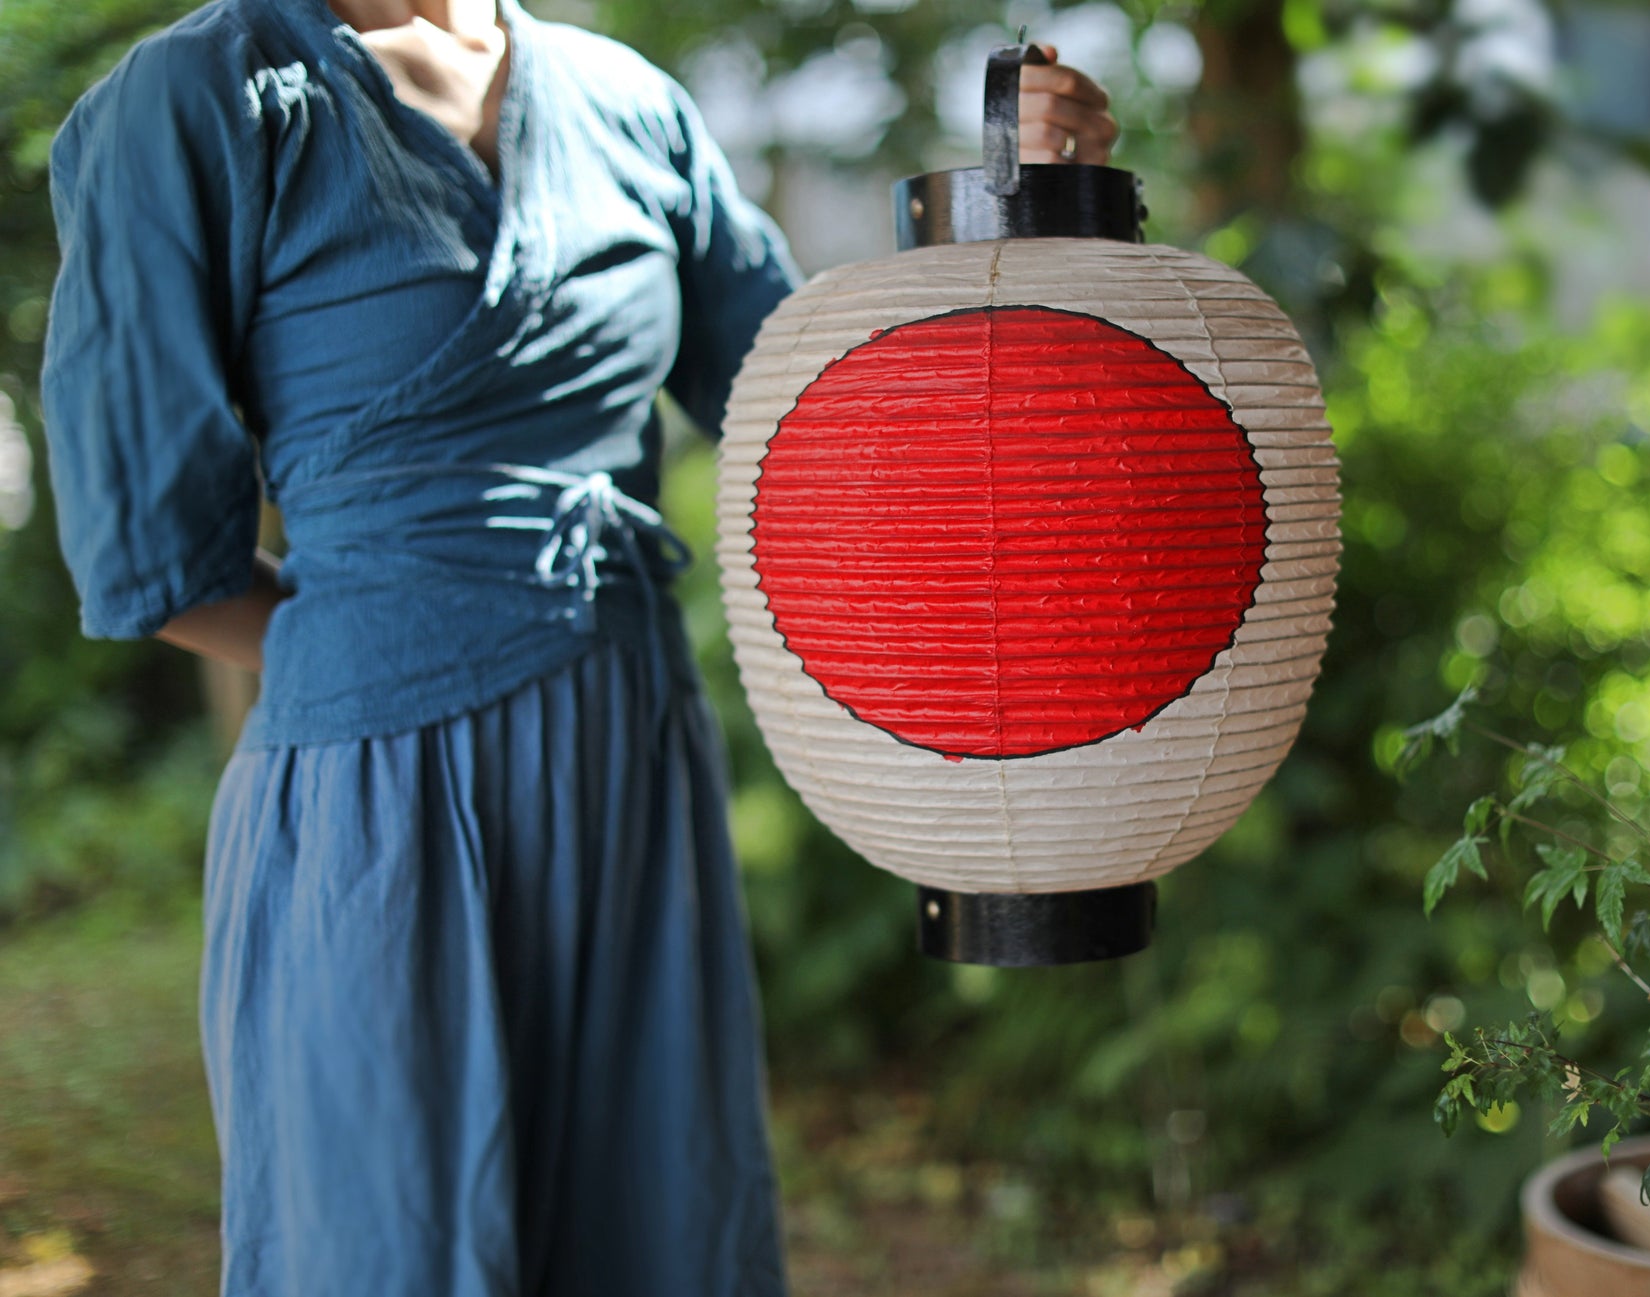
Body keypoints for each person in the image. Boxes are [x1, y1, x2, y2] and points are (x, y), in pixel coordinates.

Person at [37, 1, 1118, 1293]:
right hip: (380, 809)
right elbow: (150, 561)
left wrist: (1019, 209)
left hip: (634, 762)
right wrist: (405, 632)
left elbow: (826, 406)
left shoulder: (629, 102)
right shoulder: (200, 98)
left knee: (652, 1241)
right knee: (393, 1255)